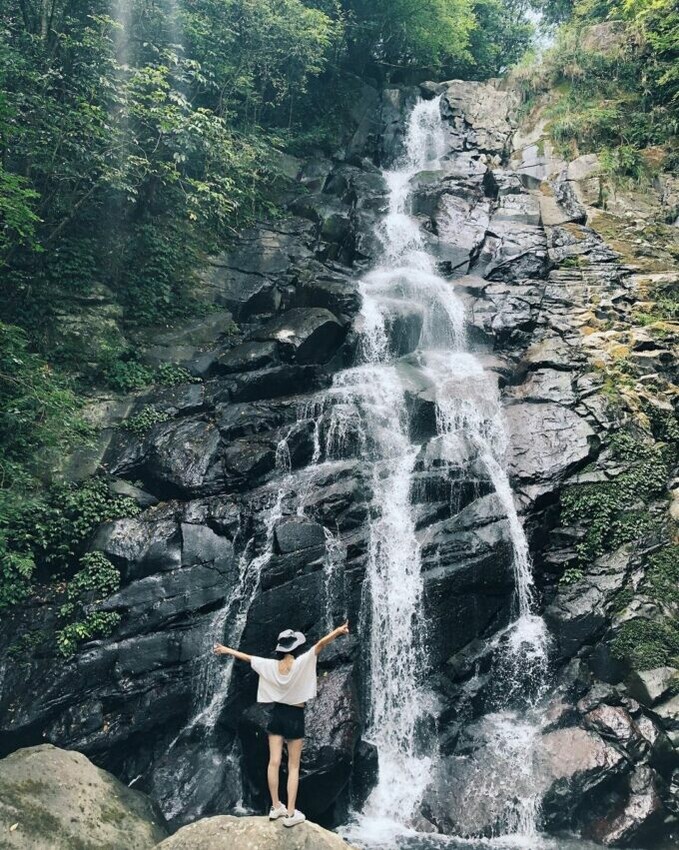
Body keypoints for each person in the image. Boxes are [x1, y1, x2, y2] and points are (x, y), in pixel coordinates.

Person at [214, 621, 350, 827]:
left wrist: (225, 650)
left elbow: (247, 657)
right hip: (295, 716)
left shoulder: (270, 665)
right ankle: (291, 814)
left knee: (274, 762)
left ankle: (276, 806)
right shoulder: (301, 662)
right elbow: (321, 644)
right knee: (294, 767)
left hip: (276, 715)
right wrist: (339, 631)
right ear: (295, 648)